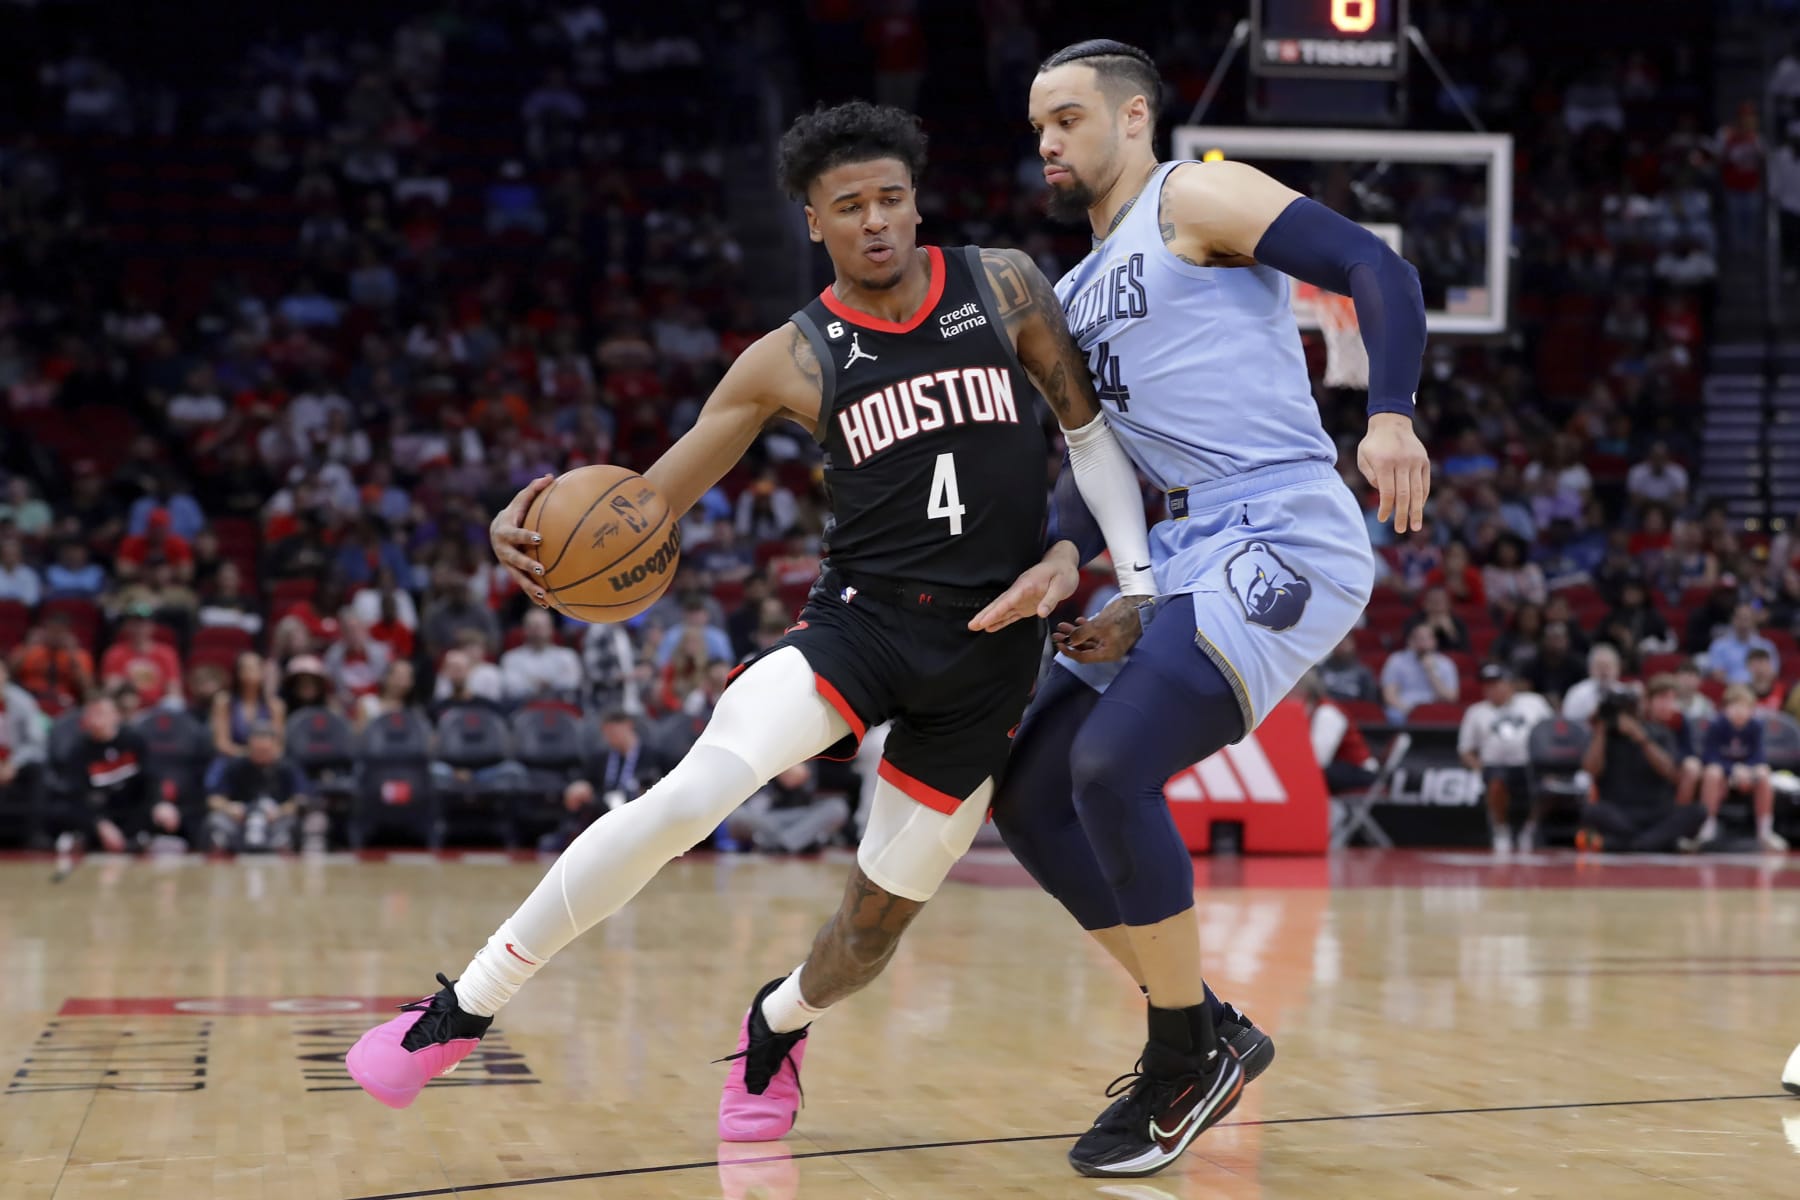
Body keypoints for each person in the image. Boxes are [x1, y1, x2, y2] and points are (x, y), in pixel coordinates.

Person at [344, 100, 1158, 1139]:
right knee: (691, 797)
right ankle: (462, 1008)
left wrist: (1135, 582)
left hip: (992, 657)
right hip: (860, 626)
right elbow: (644, 505)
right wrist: (534, 530)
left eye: (891, 199)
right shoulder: (789, 358)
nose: (875, 221)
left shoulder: (1003, 285)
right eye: (849, 206)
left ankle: (776, 1023)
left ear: (917, 202)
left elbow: (1089, 435)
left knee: (869, 933)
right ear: (814, 222)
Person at [941, 38, 1423, 1178]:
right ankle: (1208, 1027)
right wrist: (1079, 562)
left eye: (1067, 118)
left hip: (1283, 522)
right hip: (1174, 543)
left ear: (1133, 115)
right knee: (1030, 793)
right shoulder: (1067, 293)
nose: (1047, 143)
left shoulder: (1195, 195)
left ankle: (1180, 1061)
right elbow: (1093, 464)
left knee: (1111, 767)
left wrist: (1391, 414)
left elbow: (1376, 267)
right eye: (1037, 127)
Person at [1578, 686, 1703, 853]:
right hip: (1618, 812)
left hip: (1656, 810)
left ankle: (1629, 844)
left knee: (1698, 811)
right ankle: (1652, 842)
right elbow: (1591, 770)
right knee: (1591, 811)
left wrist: (1640, 737)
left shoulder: (1659, 732)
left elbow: (1669, 771)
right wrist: (1600, 730)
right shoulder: (1602, 735)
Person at [57, 694, 183, 853]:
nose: (97, 719)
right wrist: (99, 824)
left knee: (166, 813)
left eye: (101, 713)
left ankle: (150, 839)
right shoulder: (78, 751)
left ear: (116, 716)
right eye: (91, 713)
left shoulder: (134, 741)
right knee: (69, 816)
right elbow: (76, 798)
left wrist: (160, 804)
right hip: (101, 816)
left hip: (133, 813)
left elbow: (152, 779)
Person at [1457, 664, 1555, 853]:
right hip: (1495, 766)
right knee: (1495, 784)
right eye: (1486, 685)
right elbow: (1465, 750)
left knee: (1548, 786)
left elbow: (1551, 731)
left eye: (1495, 684)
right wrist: (1478, 767)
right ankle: (1501, 830)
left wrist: (1550, 761)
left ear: (1510, 684)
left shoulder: (1533, 702)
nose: (1490, 689)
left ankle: (1529, 829)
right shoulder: (1476, 711)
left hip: (1532, 765)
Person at [1695, 685, 1788, 852]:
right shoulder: (1717, 725)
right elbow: (1710, 757)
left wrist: (1746, 771)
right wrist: (1732, 770)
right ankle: (1707, 828)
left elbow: (1759, 757)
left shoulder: (1755, 726)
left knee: (1764, 772)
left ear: (1752, 710)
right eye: (1735, 706)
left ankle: (1765, 832)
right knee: (1712, 772)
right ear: (1725, 708)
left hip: (1745, 776)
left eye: (1744, 707)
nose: (1739, 711)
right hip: (1723, 776)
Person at [202, 723, 310, 853]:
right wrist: (230, 808)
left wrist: (280, 811)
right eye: (257, 751)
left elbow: (300, 799)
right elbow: (213, 799)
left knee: (294, 823)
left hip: (274, 822)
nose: (261, 755)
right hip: (241, 822)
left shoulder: (287, 767)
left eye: (265, 751)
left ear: (275, 747)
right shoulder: (235, 766)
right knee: (215, 821)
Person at [723, 762, 849, 854]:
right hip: (769, 819)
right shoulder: (762, 755)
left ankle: (781, 844)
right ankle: (801, 842)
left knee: (838, 808)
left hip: (802, 817)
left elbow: (795, 777)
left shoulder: (811, 751)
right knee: (736, 816)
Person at [1298, 671, 1377, 794]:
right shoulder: (1310, 711)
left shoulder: (1327, 713)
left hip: (1360, 772)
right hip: (1339, 768)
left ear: (1305, 693)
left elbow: (1318, 759)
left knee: (1307, 775)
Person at [211, 651, 284, 758]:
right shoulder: (223, 701)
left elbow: (278, 747)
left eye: (255, 667)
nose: (250, 672)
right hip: (231, 760)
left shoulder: (275, 705)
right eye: (246, 668)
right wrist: (250, 755)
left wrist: (260, 755)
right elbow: (221, 743)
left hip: (265, 760)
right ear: (237, 672)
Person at [500, 609, 584, 702]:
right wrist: (545, 685)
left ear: (551, 629)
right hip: (523, 707)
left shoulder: (567, 656)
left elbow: (572, 683)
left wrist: (538, 683)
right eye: (532, 626)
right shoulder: (510, 658)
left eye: (541, 627)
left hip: (561, 706)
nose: (537, 631)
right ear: (524, 629)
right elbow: (511, 688)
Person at [1380, 624, 1459, 720]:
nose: (1423, 643)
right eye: (1419, 638)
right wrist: (1412, 712)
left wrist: (1431, 672)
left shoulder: (1446, 664)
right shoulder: (1396, 660)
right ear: (1410, 641)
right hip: (1404, 709)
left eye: (1427, 638)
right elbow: (1389, 696)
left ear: (1434, 641)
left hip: (1434, 709)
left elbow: (1451, 698)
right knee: (1393, 716)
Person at [1706, 602, 1777, 685]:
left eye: (1747, 619)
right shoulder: (1719, 646)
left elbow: (1772, 674)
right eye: (1739, 618)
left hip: (1758, 689)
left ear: (1754, 621)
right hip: (1730, 688)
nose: (1743, 623)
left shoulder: (1766, 646)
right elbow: (1717, 675)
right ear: (1732, 619)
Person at [1560, 644, 1630, 724]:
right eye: (1600, 666)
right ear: (1590, 668)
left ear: (1617, 668)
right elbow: (1568, 724)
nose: (1604, 671)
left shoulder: (1624, 692)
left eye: (1608, 666)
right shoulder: (1577, 693)